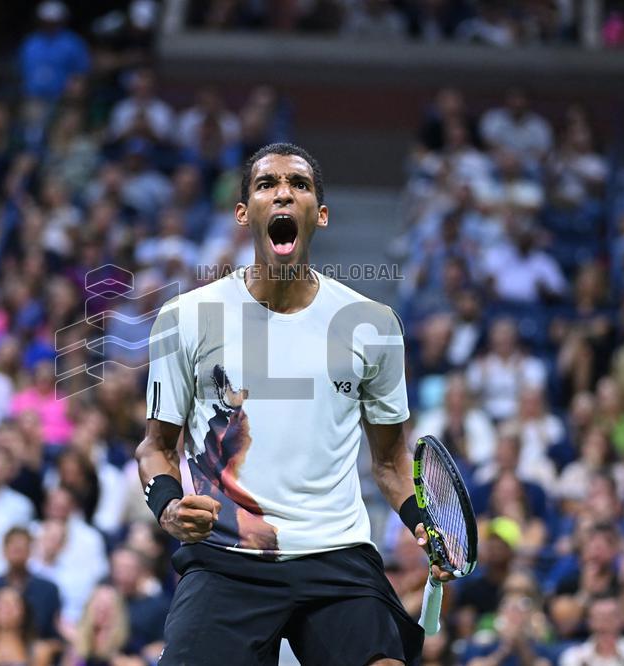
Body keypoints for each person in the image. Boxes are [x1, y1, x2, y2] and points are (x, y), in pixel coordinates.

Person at [136, 143, 452, 665]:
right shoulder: (186, 317)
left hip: (336, 554)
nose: (283, 192)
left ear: (320, 215)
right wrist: (168, 506)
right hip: (228, 555)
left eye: (299, 185)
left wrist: (422, 520)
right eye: (267, 184)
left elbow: (392, 462)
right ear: (244, 214)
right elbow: (155, 446)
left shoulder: (371, 324)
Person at [559, 593, 624, 666]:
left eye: (611, 616)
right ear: (590, 621)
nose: (606, 622)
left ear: (621, 619)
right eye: (600, 617)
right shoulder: (575, 656)